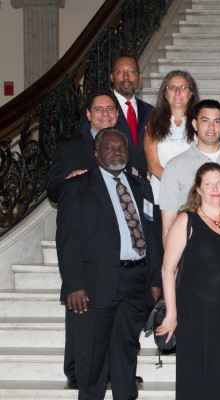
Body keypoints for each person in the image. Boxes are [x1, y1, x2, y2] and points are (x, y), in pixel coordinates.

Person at [56, 128, 162, 400]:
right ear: (96, 154)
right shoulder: (76, 187)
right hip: (93, 285)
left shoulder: (142, 187)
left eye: (121, 148)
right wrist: (74, 283)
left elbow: (151, 235)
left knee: (126, 355)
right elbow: (67, 240)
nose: (117, 152)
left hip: (135, 282)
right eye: (109, 148)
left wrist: (154, 280)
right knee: (92, 360)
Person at [156, 163, 220, 400]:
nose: (215, 189)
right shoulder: (186, 220)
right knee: (199, 381)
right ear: (198, 189)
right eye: (208, 184)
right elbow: (168, 269)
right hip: (196, 316)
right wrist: (172, 313)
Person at [159, 100, 220, 242]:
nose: (211, 127)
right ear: (194, 124)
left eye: (217, 121)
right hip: (191, 246)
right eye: (205, 121)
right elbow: (168, 222)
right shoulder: (175, 166)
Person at [49, 90, 120, 203]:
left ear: (117, 114)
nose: (105, 114)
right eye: (98, 109)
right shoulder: (68, 148)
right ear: (88, 114)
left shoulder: (126, 146)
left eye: (110, 109)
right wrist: (69, 182)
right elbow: (53, 193)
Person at [143, 70, 199, 205]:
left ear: (191, 93)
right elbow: (153, 165)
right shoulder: (153, 123)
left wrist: (188, 187)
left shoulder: (200, 122)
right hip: (162, 195)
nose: (177, 92)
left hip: (193, 196)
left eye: (183, 87)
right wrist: (177, 184)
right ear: (165, 93)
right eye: (172, 88)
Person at [108, 55, 154, 178]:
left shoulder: (151, 112)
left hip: (143, 182)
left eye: (131, 72)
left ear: (139, 77)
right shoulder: (101, 110)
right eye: (120, 72)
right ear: (112, 77)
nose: (126, 77)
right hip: (112, 180)